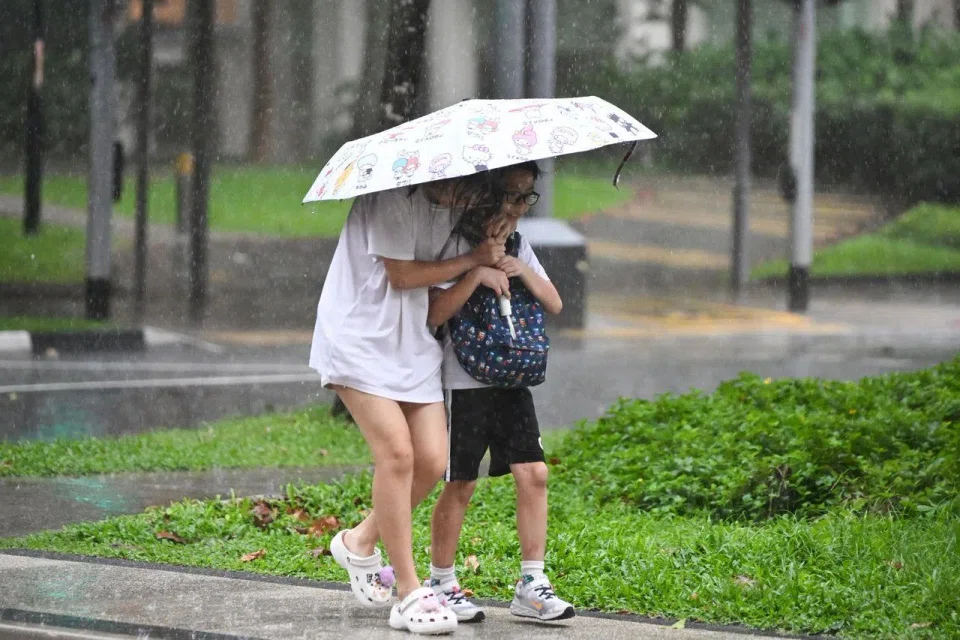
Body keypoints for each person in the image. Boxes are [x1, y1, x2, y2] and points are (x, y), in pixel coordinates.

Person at [309, 174, 509, 634]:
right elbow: (402, 275)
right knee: (397, 454)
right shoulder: (391, 194)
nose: (466, 193)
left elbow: (438, 292)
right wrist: (474, 258)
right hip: (360, 338)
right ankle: (408, 591)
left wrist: (486, 252)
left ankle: (359, 540)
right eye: (462, 184)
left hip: (413, 342)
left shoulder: (460, 211)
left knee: (432, 459)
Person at [424, 161, 576, 623]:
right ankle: (441, 582)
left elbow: (554, 302)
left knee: (534, 474)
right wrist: (477, 273)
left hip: (510, 377)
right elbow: (434, 314)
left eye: (526, 197)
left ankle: (532, 583)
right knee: (461, 482)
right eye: (511, 195)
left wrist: (515, 267)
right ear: (486, 194)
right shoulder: (453, 241)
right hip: (464, 380)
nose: (517, 207)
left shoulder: (518, 244)